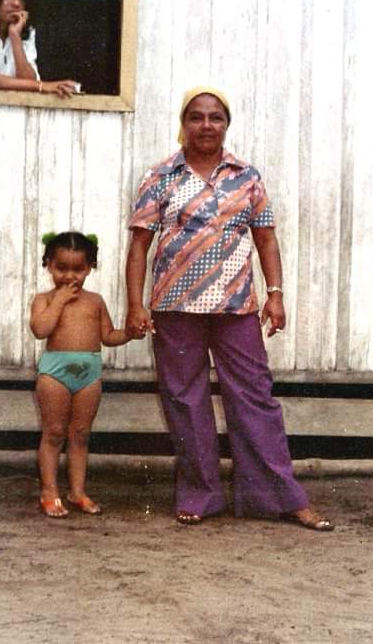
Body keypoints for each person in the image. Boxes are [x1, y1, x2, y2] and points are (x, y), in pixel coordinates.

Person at [125, 86, 334, 531]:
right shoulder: (161, 176)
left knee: (254, 396)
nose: (206, 125)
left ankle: (276, 497)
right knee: (185, 399)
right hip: (175, 304)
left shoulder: (247, 176)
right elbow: (139, 244)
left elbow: (265, 238)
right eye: (197, 117)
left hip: (237, 304)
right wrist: (134, 303)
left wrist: (275, 292)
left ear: (227, 124)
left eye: (215, 117)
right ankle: (200, 494)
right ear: (183, 123)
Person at [30, 232, 134, 518]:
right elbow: (41, 329)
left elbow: (108, 336)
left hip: (89, 374)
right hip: (55, 373)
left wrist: (129, 333)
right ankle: (49, 492)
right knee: (53, 433)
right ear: (48, 265)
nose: (69, 276)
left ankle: (77, 491)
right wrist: (59, 301)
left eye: (78, 269)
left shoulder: (95, 301)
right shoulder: (44, 299)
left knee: (81, 435)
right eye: (61, 268)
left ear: (89, 268)